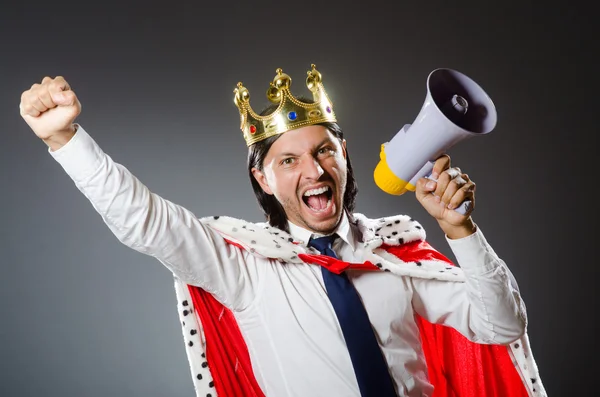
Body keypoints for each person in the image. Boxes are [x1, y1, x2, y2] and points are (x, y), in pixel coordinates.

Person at [19, 65, 546, 397]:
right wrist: (66, 138)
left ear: (344, 158)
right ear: (263, 179)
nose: (313, 172)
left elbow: (502, 327)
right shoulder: (242, 266)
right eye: (288, 160)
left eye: (324, 151)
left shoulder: (396, 255)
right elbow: (145, 220)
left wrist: (460, 230)